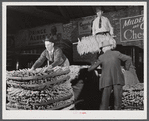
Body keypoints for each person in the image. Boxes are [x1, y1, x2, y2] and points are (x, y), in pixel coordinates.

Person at [88, 40, 132, 110]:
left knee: (104, 100)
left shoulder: (101, 57)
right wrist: (125, 68)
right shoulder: (117, 53)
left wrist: (87, 69)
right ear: (110, 47)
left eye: (102, 48)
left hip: (106, 80)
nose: (102, 49)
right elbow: (128, 58)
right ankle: (116, 114)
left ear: (104, 48)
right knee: (117, 100)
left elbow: (93, 67)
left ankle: (103, 114)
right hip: (117, 79)